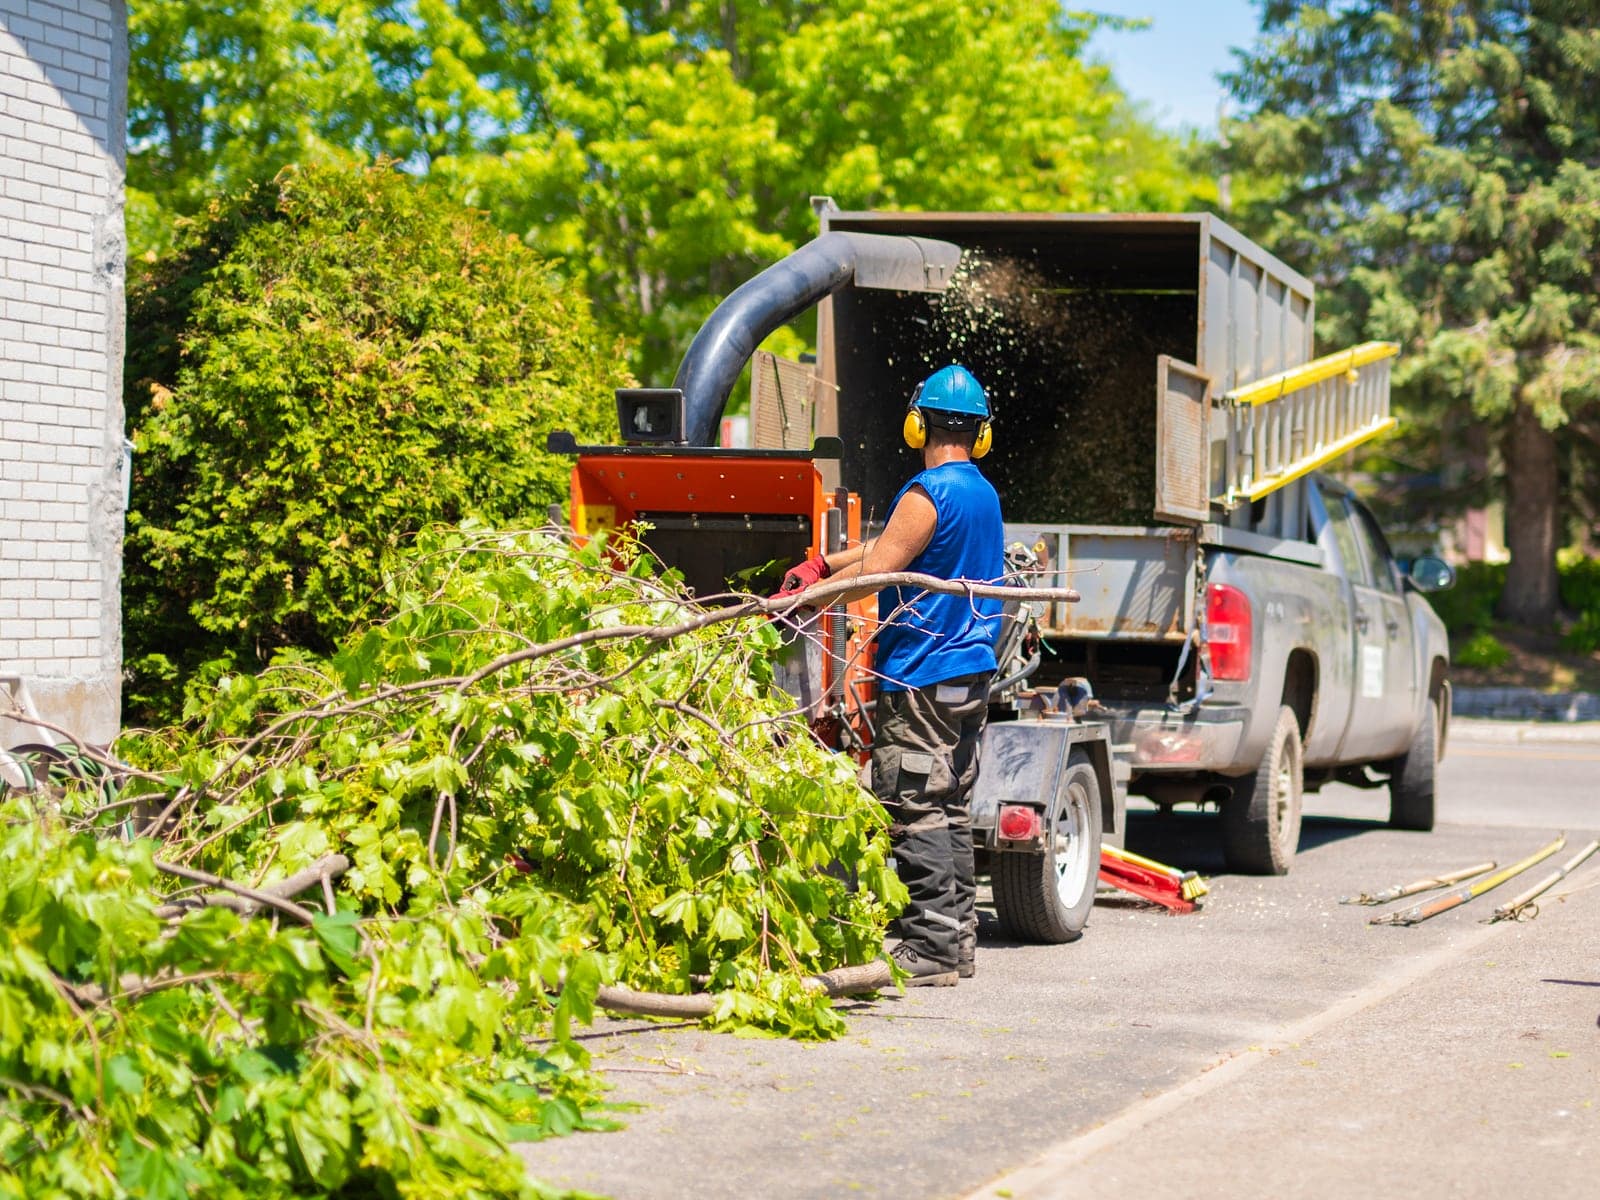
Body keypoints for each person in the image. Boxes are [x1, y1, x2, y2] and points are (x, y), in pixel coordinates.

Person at [777, 364, 1004, 986]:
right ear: (979, 435)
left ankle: (928, 948)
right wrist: (822, 562)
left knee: (912, 802)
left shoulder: (928, 493)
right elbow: (891, 549)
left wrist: (798, 606)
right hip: (969, 672)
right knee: (949, 802)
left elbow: (876, 574)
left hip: (922, 675)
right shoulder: (979, 493)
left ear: (917, 423)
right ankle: (955, 944)